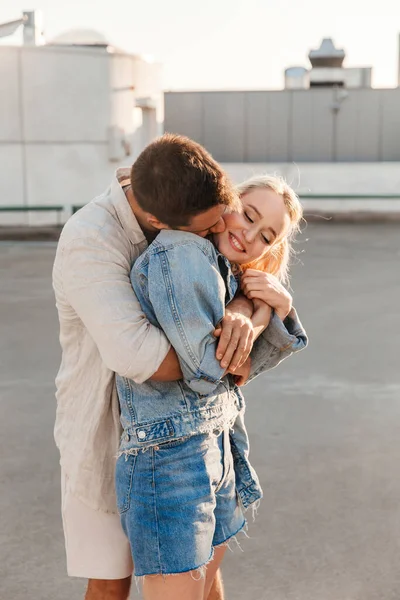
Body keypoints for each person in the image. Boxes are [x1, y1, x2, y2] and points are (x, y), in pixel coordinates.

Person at [52, 134, 304, 600]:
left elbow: (235, 288)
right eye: (244, 217)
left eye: (265, 233)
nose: (241, 232)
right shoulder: (98, 239)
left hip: (205, 437)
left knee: (203, 578)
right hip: (114, 431)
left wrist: (253, 310)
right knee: (111, 581)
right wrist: (241, 343)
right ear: (159, 221)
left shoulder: (194, 204)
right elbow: (152, 359)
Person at [115, 170, 307, 600]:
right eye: (249, 214)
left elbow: (239, 372)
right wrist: (259, 318)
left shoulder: (220, 270)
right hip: (168, 459)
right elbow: (209, 370)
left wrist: (272, 305)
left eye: (266, 236)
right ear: (226, 199)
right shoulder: (181, 254)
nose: (250, 235)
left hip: (215, 447)